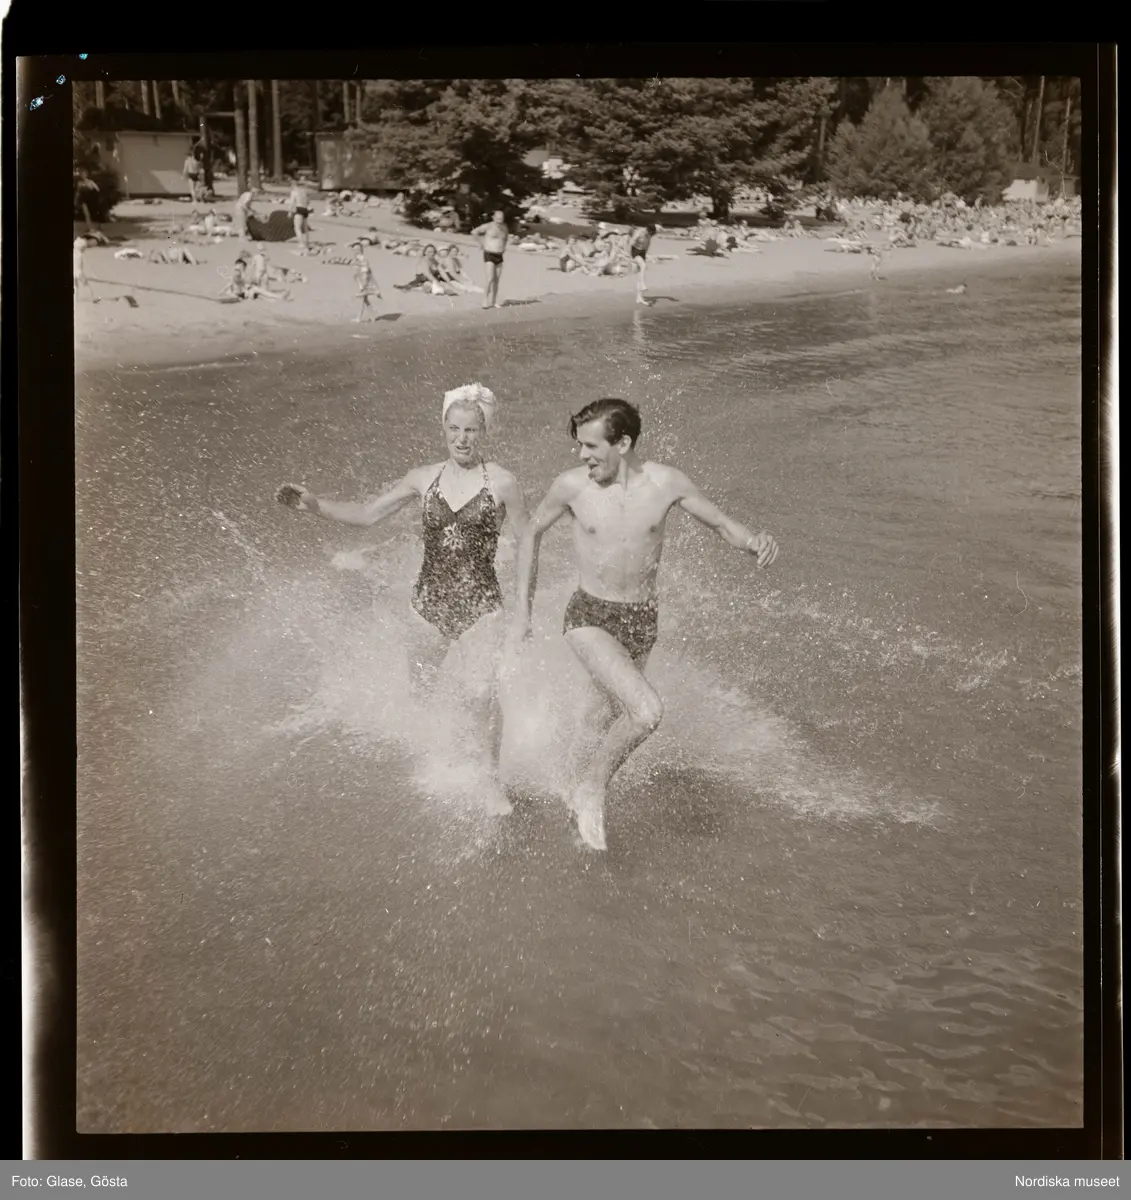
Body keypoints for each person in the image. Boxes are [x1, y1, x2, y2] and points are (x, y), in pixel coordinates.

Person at [510, 398, 779, 850]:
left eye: (591, 446)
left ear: (623, 443)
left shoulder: (666, 483)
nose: (581, 455)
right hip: (589, 616)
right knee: (646, 711)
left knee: (599, 718)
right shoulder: (571, 487)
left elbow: (719, 523)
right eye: (580, 446)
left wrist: (755, 540)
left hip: (640, 621)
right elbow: (531, 533)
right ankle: (591, 789)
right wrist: (523, 610)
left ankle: (563, 786)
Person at [275, 384, 529, 810]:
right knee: (423, 691)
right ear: (443, 428)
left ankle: (488, 778)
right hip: (428, 606)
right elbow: (367, 514)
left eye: (470, 430)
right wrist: (315, 506)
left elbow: (528, 544)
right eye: (454, 428)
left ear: (484, 431)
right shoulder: (422, 478)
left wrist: (523, 609)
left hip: (481, 605)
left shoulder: (504, 482)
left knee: (482, 692)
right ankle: (448, 752)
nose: (462, 438)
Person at [472, 209, 509, 309]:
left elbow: (505, 238)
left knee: (497, 280)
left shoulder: (504, 227)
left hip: (499, 255)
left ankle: (493, 301)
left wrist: (504, 248)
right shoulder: (488, 226)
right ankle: (485, 300)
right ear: (493, 218)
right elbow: (474, 232)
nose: (499, 222)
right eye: (497, 220)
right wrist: (481, 244)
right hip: (489, 253)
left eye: (501, 220)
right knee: (490, 279)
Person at [351, 241, 382, 321]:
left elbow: (365, 271)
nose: (355, 251)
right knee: (365, 300)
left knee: (363, 299)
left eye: (357, 249)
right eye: (354, 249)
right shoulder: (357, 258)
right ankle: (372, 317)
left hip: (365, 282)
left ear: (361, 250)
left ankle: (359, 318)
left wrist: (364, 285)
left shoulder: (362, 259)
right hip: (363, 281)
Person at [628, 223, 656, 304]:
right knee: (643, 265)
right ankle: (643, 284)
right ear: (646, 229)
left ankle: (639, 298)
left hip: (642, 253)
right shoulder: (639, 232)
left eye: (651, 233)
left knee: (639, 276)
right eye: (649, 232)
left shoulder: (649, 235)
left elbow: (648, 244)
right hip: (635, 251)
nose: (649, 234)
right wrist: (630, 257)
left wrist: (645, 254)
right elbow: (631, 243)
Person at [287, 180, 313, 253]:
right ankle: (307, 242)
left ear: (292, 186)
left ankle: (301, 243)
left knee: (297, 227)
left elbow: (292, 202)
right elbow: (308, 202)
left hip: (299, 209)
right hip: (305, 209)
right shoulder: (304, 191)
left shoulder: (294, 192)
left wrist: (290, 211)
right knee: (305, 228)